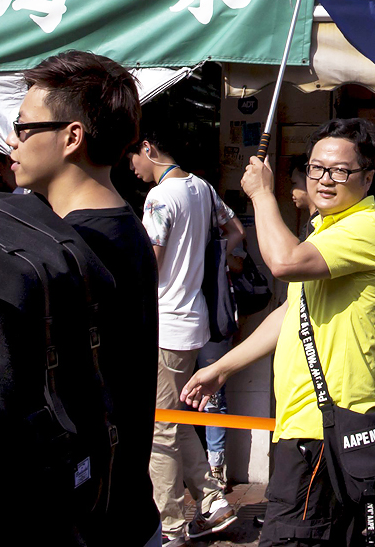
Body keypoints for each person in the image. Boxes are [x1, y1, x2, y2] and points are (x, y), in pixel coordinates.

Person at [181, 118, 375, 547]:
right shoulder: (327, 230)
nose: (325, 180)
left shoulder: (366, 229)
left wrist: (262, 194)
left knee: (291, 537)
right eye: (316, 168)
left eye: (340, 171)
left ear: (367, 178)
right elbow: (291, 311)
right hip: (306, 424)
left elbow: (283, 264)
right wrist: (222, 367)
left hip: (327, 426)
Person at [7, 49, 163, 547]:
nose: (12, 140)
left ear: (72, 137)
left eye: (25, 127)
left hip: (94, 522)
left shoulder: (80, 248)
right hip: (123, 510)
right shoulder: (116, 228)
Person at [126, 128, 240, 546]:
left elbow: (148, 266)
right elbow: (235, 234)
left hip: (165, 323)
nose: (133, 168)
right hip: (194, 322)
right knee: (176, 421)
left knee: (161, 430)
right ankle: (213, 503)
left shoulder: (159, 198)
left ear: (148, 148)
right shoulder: (203, 189)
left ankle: (171, 526)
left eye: (132, 157)